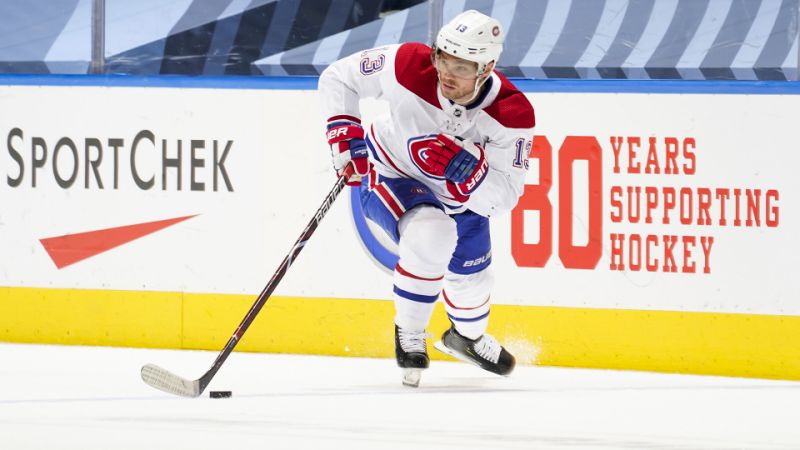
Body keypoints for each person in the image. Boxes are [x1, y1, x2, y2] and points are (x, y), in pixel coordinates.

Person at [318, 10, 535, 387]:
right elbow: (339, 77)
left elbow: (503, 200)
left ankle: (464, 339)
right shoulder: (406, 63)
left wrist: (471, 173)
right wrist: (344, 134)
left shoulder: (512, 113)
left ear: (487, 67)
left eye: (463, 67)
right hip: (392, 171)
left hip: (459, 196)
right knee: (432, 233)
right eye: (443, 58)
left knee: (474, 283)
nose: (448, 73)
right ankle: (410, 334)